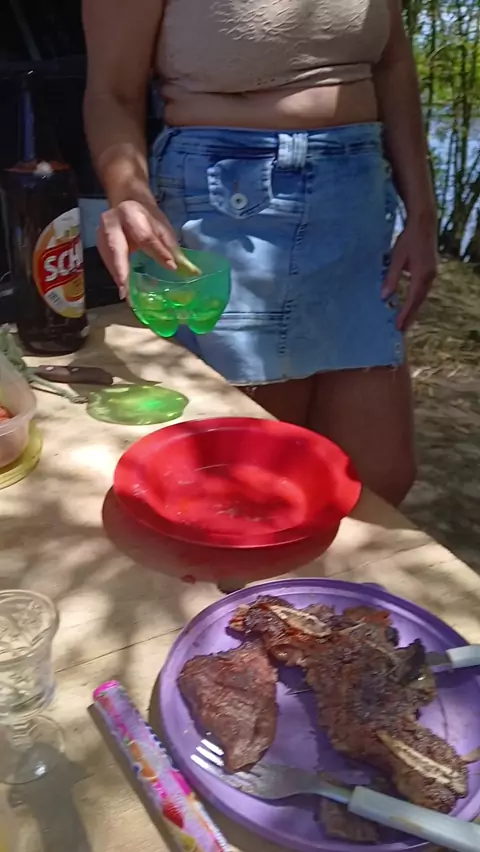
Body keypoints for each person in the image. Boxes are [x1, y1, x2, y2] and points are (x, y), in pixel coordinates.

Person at [82, 0, 437, 506]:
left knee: (380, 477)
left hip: (356, 199)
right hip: (232, 201)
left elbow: (392, 63)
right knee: (255, 484)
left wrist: (421, 211)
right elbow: (112, 92)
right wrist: (129, 195)